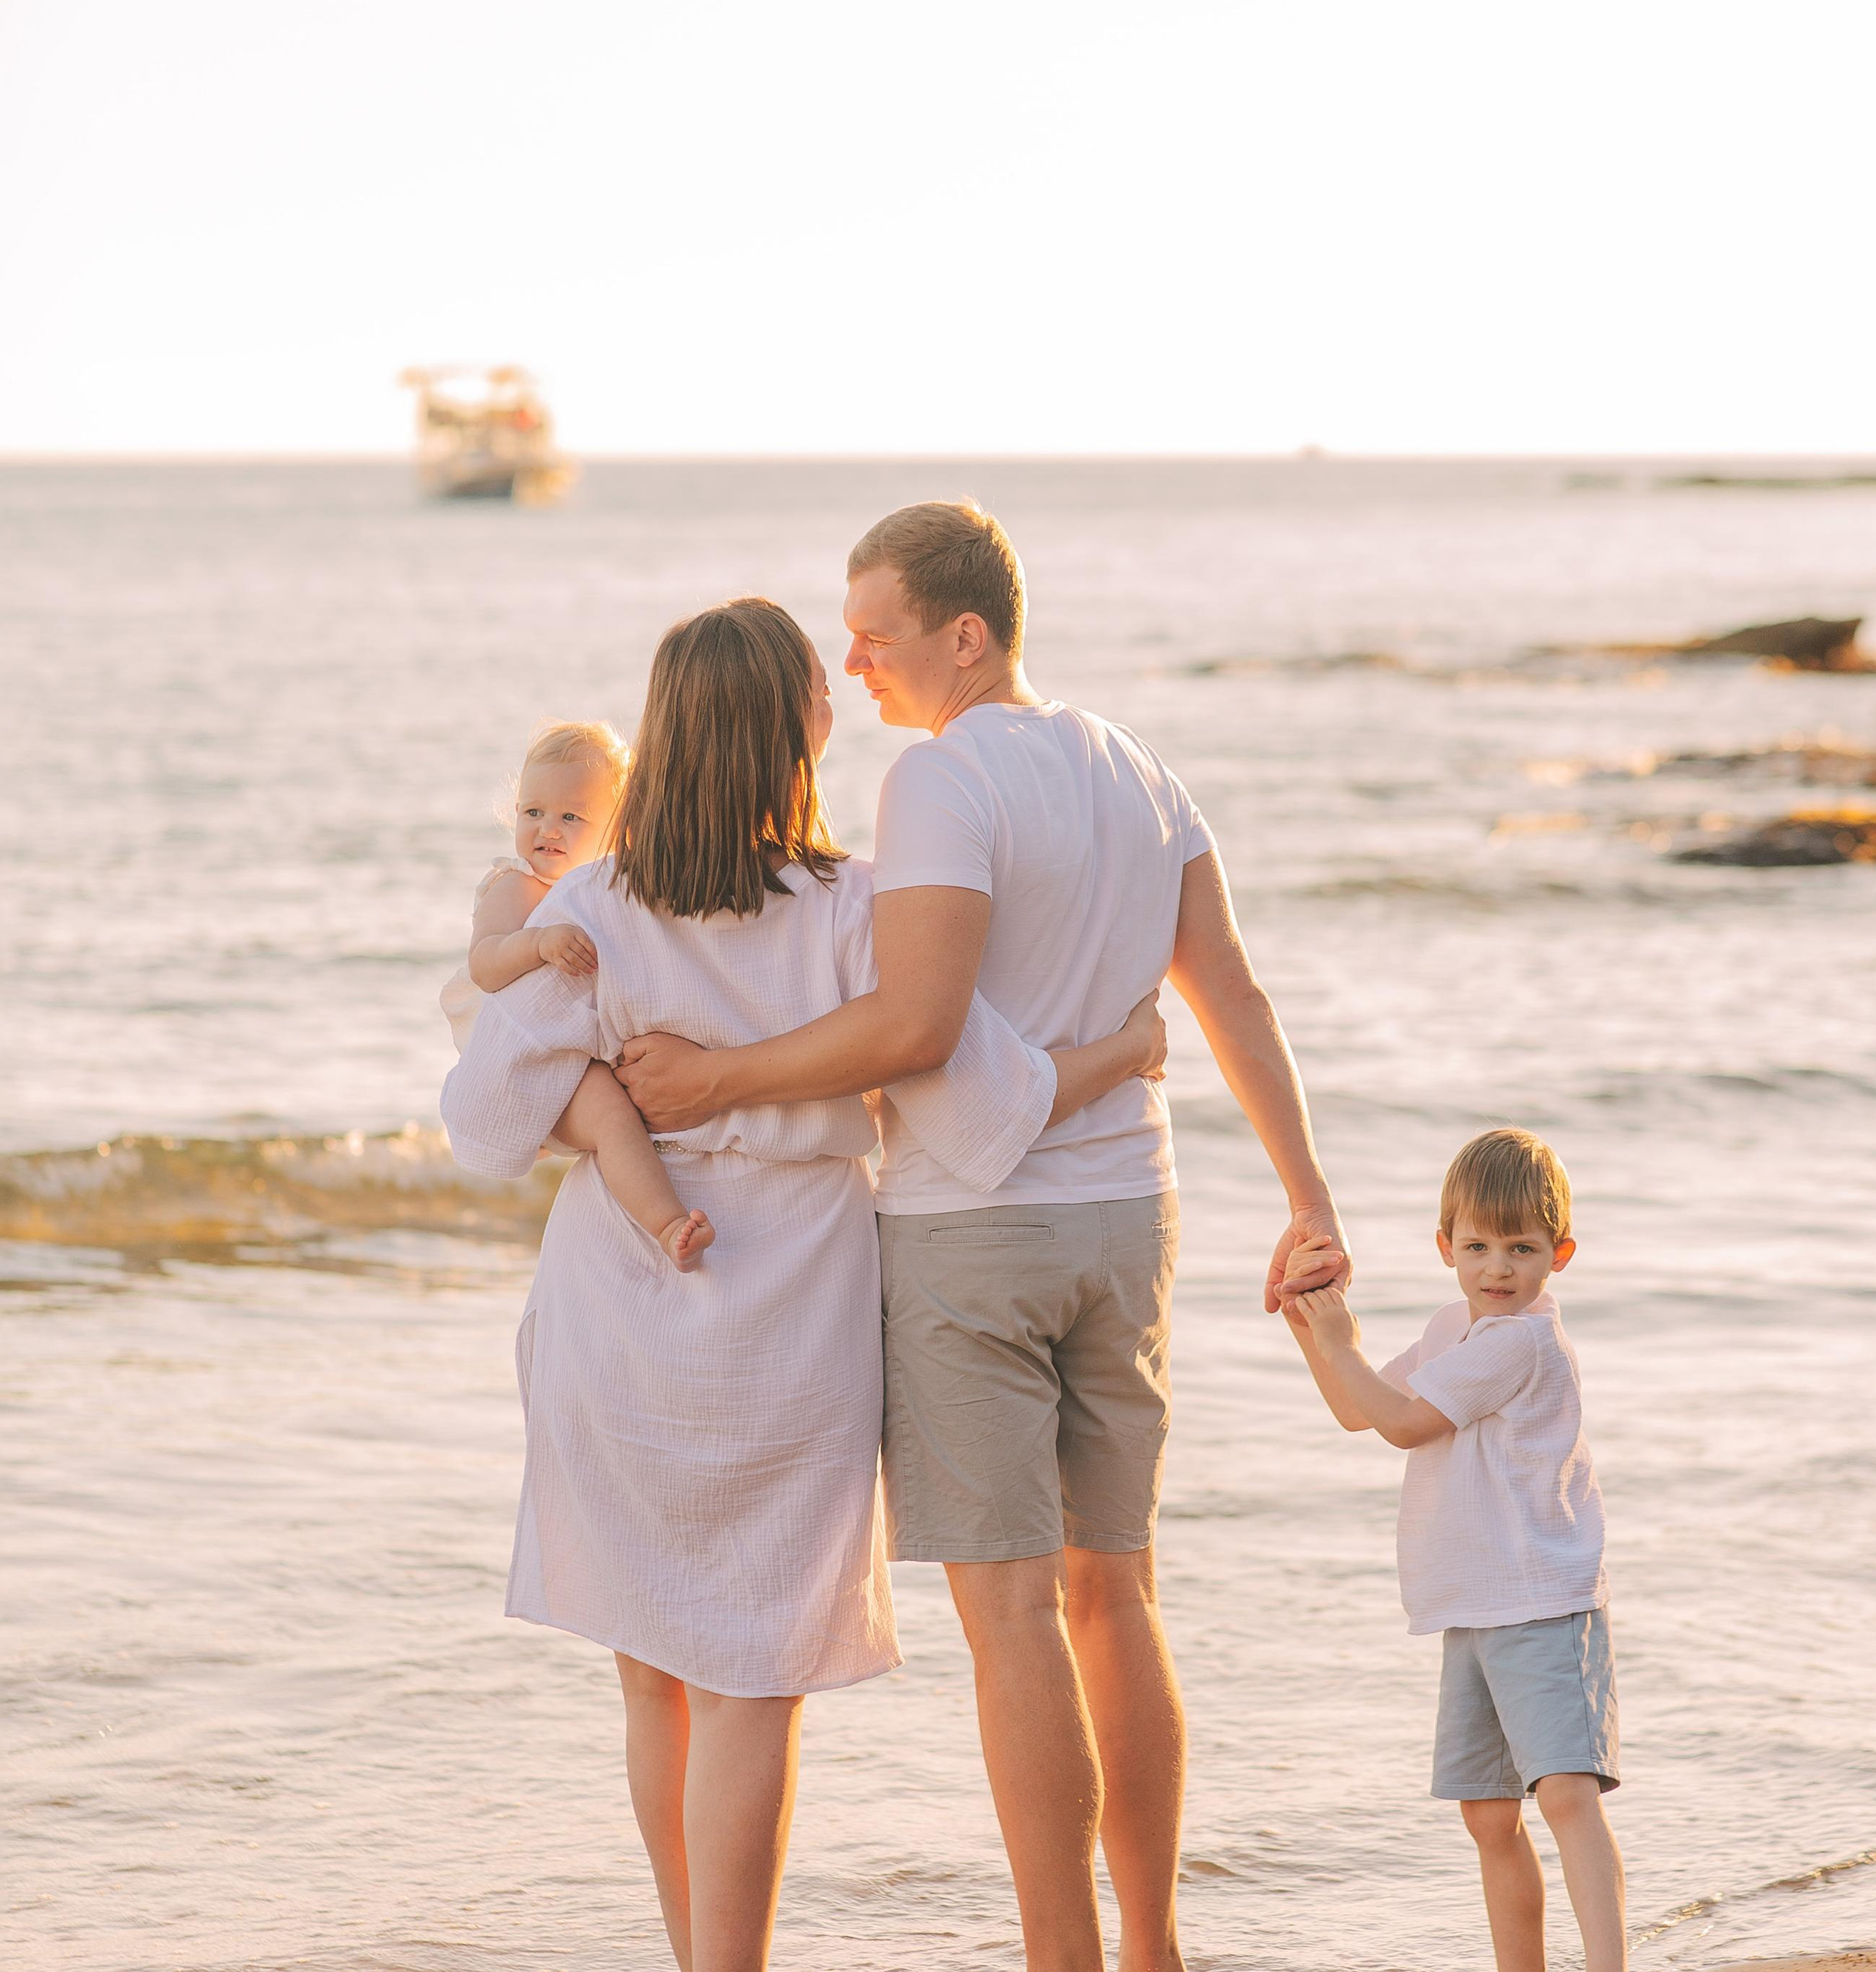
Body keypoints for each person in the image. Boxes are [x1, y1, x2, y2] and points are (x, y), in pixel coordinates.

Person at [615, 503, 1350, 1972]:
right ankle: (1151, 1949)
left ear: (966, 634)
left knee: (1015, 1615)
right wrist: (1309, 1201)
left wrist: (714, 1079)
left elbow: (916, 1027)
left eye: (875, 635)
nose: (855, 661)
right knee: (1117, 1591)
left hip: (976, 1234)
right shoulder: (1141, 768)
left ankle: (1063, 1960)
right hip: (1128, 1216)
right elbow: (1236, 1003)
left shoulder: (945, 781)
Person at [441, 599, 1164, 1972]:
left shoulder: (596, 901)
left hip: (616, 1302)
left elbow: (483, 1119)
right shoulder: (856, 905)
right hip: (793, 1305)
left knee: (651, 1669)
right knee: (750, 1680)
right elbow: (974, 1100)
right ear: (804, 732)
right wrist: (1121, 1052)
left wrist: (586, 1071)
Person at [1281, 1128, 1626, 1972]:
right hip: (1472, 1604)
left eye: (1520, 1247)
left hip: (1540, 1599)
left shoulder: (1520, 1341)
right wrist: (1310, 1321)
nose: (1496, 1268)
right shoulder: (1453, 1328)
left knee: (1566, 1795)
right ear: (1445, 1247)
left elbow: (1401, 1424)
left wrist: (1337, 1340)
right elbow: (1357, 1408)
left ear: (1560, 1255)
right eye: (1475, 1246)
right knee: (1486, 1813)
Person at [439, 720, 715, 1269]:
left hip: (573, 1049)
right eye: (532, 811)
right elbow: (485, 964)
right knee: (613, 1120)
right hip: (523, 1057)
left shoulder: (601, 887)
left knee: (629, 1111)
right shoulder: (517, 885)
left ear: (616, 828)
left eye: (571, 816)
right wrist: (537, 943)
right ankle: (666, 1225)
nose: (548, 829)